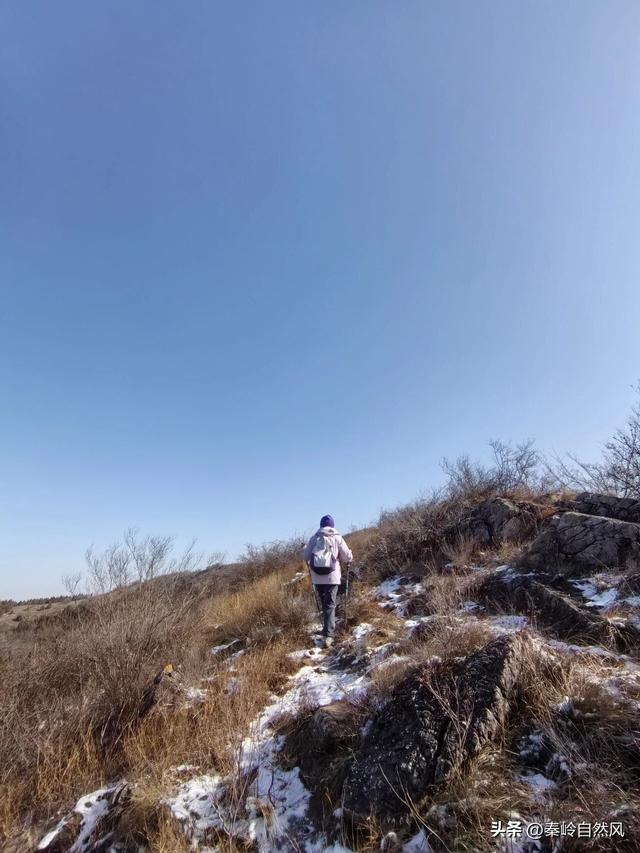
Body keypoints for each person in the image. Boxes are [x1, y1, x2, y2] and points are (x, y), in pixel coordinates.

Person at [301, 514, 353, 648]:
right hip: (332, 576)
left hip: (317, 576)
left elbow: (305, 556)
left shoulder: (315, 538)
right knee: (330, 603)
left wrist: (304, 548)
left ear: (321, 525)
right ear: (332, 525)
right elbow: (347, 557)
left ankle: (327, 629)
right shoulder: (337, 537)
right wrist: (350, 555)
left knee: (325, 603)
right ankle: (328, 634)